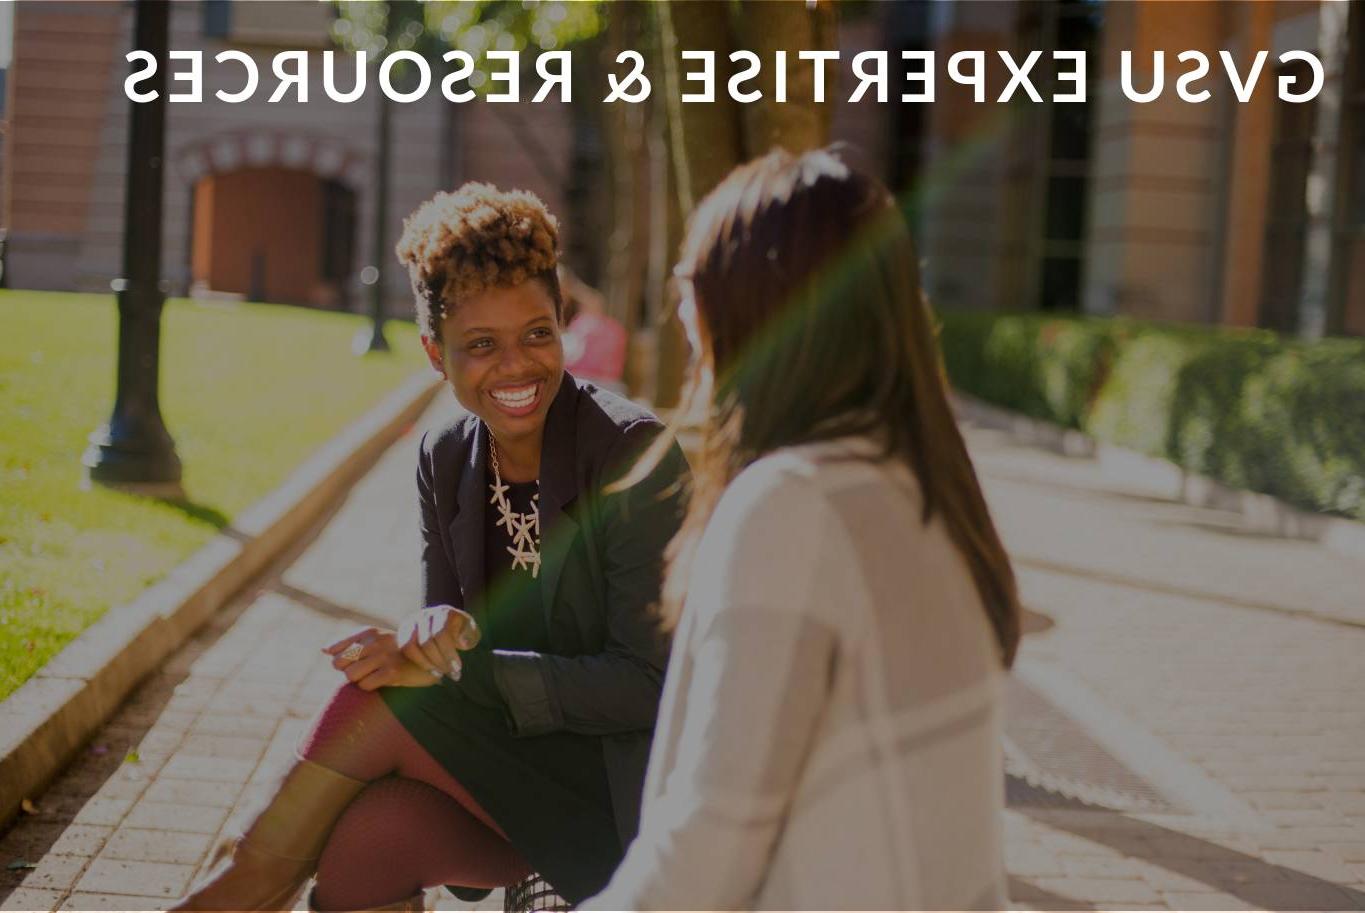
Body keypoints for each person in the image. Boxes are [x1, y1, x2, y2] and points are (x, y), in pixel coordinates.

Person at [171, 183, 688, 913]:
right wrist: (431, 634)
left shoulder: (631, 452)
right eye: (480, 345)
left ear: (563, 323)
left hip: (620, 795)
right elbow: (443, 625)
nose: (516, 367)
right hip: (510, 776)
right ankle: (242, 887)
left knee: (381, 703)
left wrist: (461, 669)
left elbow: (649, 680)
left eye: (536, 333)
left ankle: (238, 888)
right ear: (434, 355)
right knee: (368, 842)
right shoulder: (446, 456)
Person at [586, 148, 1022, 911]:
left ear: (757, 305)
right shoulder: (917, 487)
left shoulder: (791, 507)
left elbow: (713, 840)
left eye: (692, 283)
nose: (681, 311)